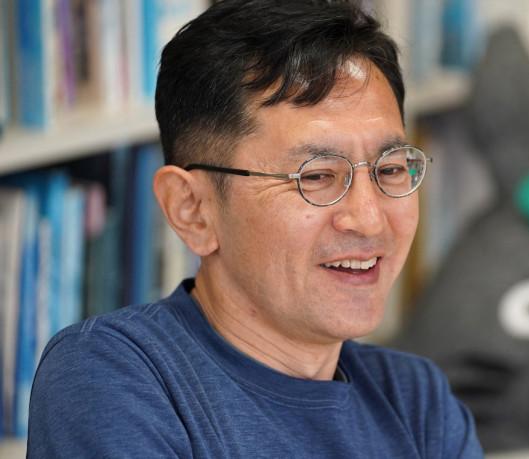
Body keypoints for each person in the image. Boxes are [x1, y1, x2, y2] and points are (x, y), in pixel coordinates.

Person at [26, 0, 483, 457]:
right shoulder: (113, 375)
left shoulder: (418, 402)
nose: (368, 218)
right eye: (316, 176)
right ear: (191, 209)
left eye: (391, 169)